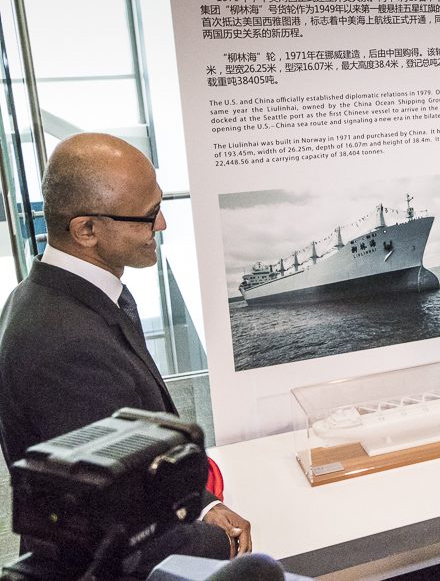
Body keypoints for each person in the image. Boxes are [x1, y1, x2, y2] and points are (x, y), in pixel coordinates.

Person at [0, 134, 252, 577]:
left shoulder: (47, 296)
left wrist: (205, 502)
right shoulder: (69, 346)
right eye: (149, 214)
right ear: (86, 230)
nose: (162, 225)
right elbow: (118, 533)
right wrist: (217, 540)